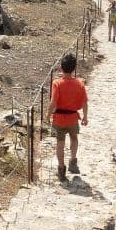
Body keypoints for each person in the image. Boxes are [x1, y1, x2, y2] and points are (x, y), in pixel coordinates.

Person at [49, 53, 88, 182]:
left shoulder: (57, 83)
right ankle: (73, 160)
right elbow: (84, 103)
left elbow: (53, 102)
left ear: (61, 67)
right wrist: (85, 117)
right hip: (72, 117)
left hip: (59, 118)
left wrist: (48, 114)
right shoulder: (79, 84)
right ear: (74, 68)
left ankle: (61, 168)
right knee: (74, 138)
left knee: (60, 143)